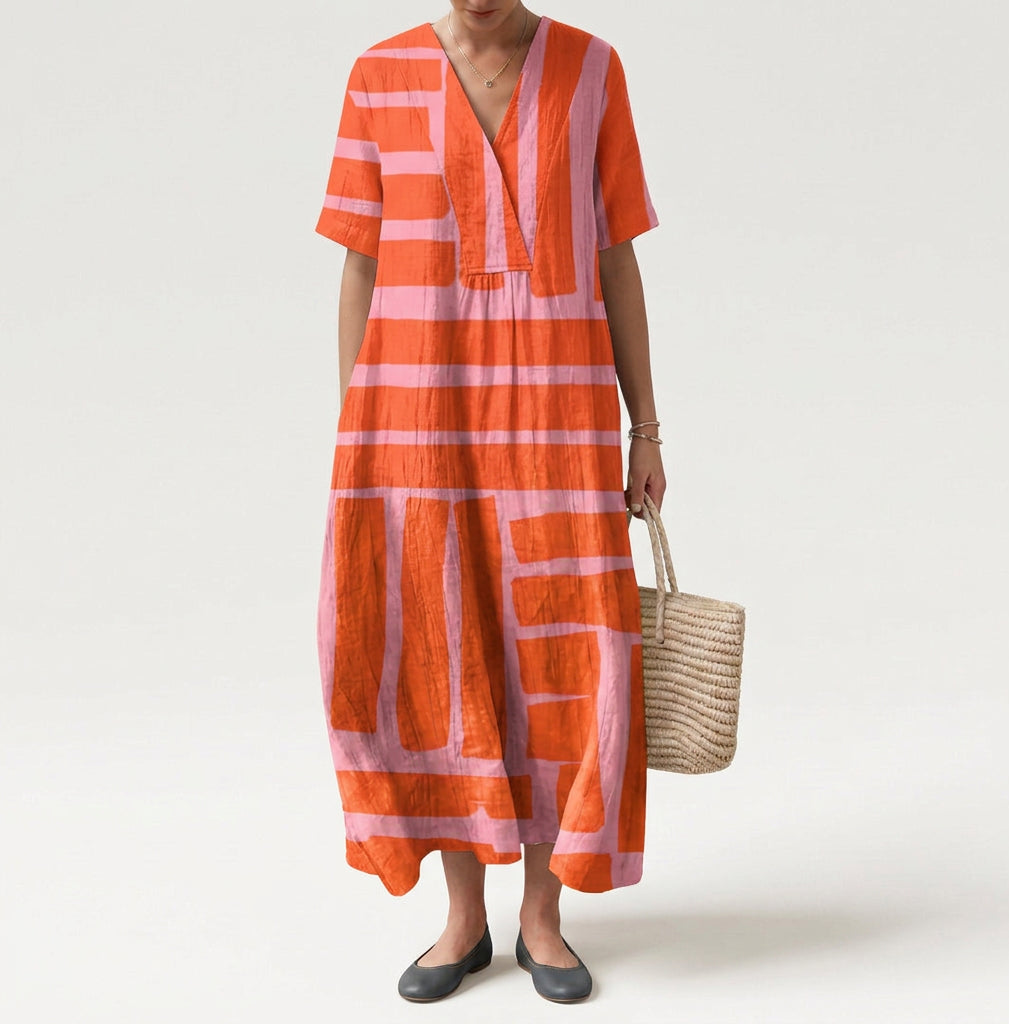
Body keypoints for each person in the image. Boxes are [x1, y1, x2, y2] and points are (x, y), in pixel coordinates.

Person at [313, 1, 665, 1004]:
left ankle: (542, 917)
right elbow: (361, 261)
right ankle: (463, 918)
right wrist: (358, 433)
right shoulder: (378, 74)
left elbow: (615, 255)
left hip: (558, 423)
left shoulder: (591, 71)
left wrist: (646, 426)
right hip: (420, 426)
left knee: (566, 660)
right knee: (439, 649)